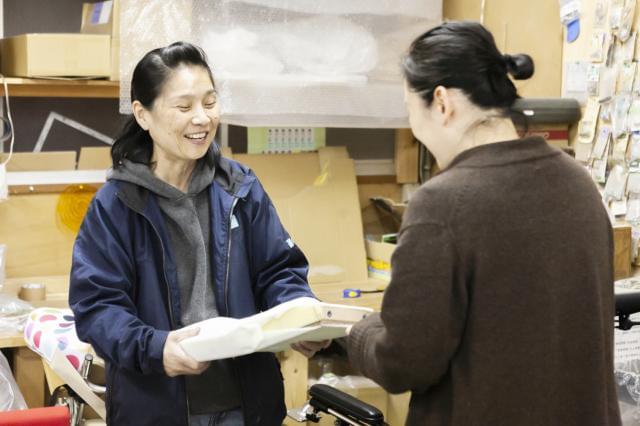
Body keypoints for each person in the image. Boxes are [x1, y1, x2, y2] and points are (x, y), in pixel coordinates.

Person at [347, 21, 621, 426]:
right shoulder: (576, 181)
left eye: (411, 112)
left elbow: (403, 362)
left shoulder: (442, 204)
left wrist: (356, 331)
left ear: (441, 102)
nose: (415, 130)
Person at [69, 42, 328, 426]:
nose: (202, 119)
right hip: (157, 408)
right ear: (143, 114)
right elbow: (98, 308)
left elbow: (279, 271)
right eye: (184, 106)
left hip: (247, 406)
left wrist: (300, 315)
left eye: (210, 103)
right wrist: (157, 348)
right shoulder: (117, 205)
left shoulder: (240, 187)